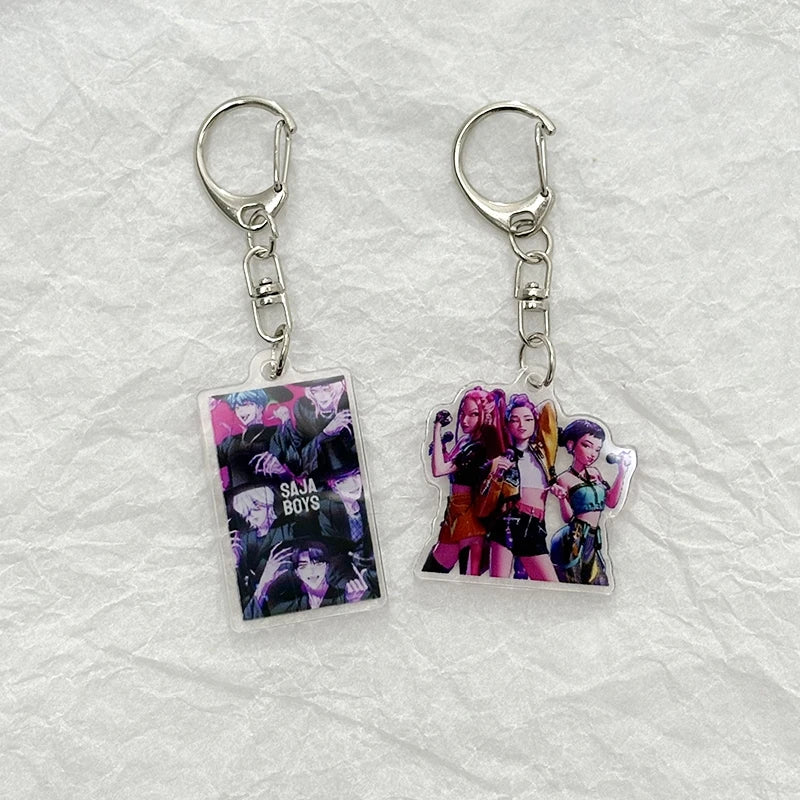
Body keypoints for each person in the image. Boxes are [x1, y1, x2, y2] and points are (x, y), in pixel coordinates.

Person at [477, 393, 560, 582]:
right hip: (508, 521)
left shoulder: (543, 452)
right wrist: (497, 474)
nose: (521, 424)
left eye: (528, 419)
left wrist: (530, 398)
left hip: (535, 525)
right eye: (515, 420)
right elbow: (485, 500)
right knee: (498, 585)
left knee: (551, 586)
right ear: (507, 425)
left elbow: (548, 408)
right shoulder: (502, 457)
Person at [423, 387, 504, 575]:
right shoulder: (465, 442)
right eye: (462, 413)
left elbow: (439, 470)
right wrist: (441, 446)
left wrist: (437, 427)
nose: (464, 420)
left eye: (473, 414)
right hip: (453, 515)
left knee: (468, 582)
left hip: (470, 518)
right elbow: (447, 466)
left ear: (485, 415)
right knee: (432, 572)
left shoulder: (479, 447)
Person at [550, 419, 630, 585]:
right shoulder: (564, 479)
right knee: (575, 577)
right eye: (587, 446)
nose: (593, 454)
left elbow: (611, 502)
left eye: (597, 449)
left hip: (594, 536)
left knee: (599, 580)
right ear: (571, 445)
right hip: (575, 537)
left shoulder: (595, 473)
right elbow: (568, 518)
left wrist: (621, 473)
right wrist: (562, 498)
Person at [250, 538, 371, 616]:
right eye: (303, 566)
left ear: (327, 566)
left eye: (317, 563)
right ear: (297, 572)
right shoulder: (289, 607)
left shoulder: (346, 597)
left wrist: (354, 604)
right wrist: (264, 582)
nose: (311, 571)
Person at [215, 388, 300, 490]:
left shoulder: (277, 432)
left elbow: (297, 466)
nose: (241, 411)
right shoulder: (230, 442)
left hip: (275, 495)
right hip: (238, 498)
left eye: (246, 405)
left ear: (260, 407)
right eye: (237, 407)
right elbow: (208, 462)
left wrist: (282, 472)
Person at [229, 485, 294, 614]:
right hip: (259, 605)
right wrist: (235, 564)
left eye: (256, 507)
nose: (252, 516)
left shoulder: (288, 528)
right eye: (247, 513)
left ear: (267, 502)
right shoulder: (244, 540)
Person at [293, 379, 358, 482]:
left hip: (353, 473)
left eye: (326, 389)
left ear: (337, 387)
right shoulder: (303, 408)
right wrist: (326, 433)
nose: (321, 396)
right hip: (320, 476)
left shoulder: (351, 402)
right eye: (314, 391)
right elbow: (302, 454)